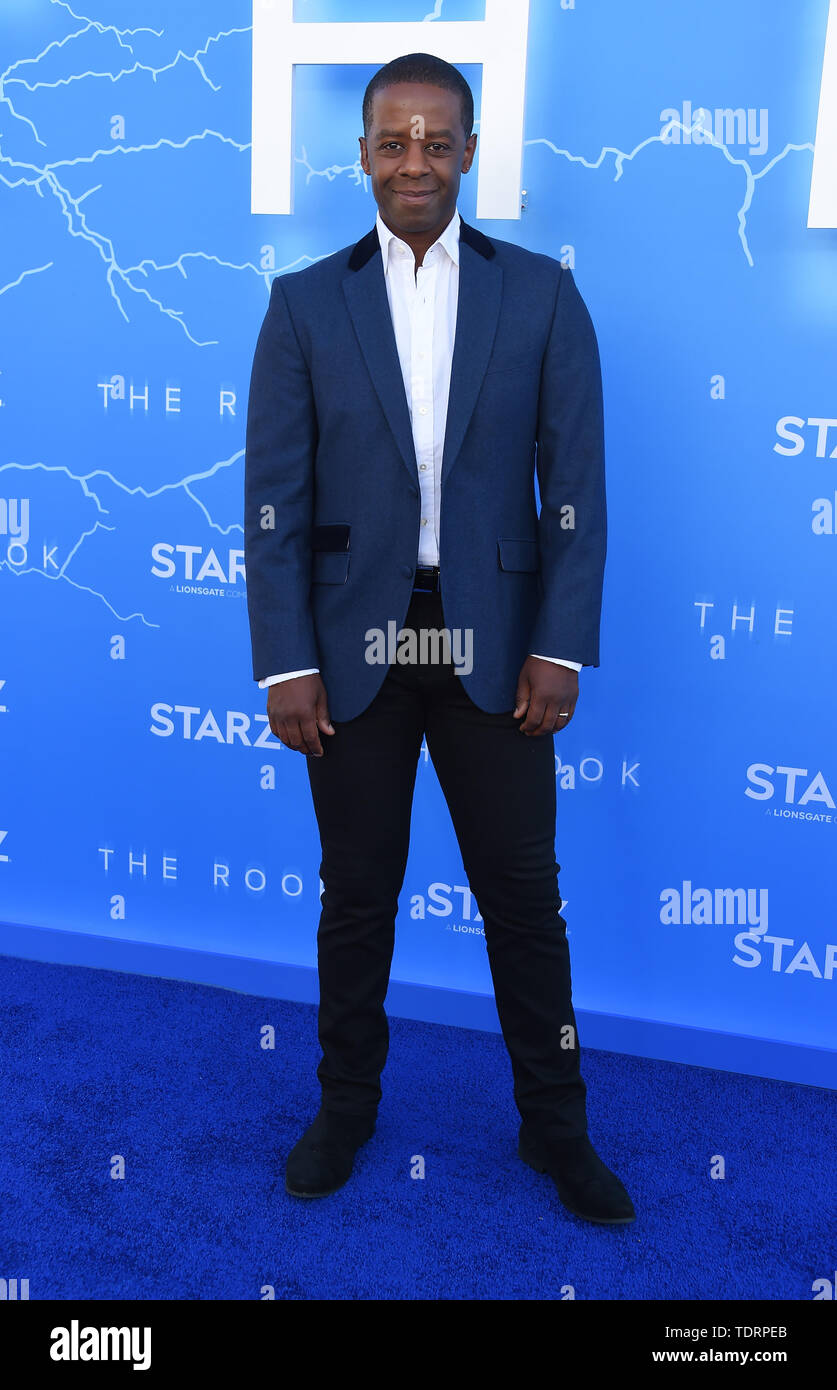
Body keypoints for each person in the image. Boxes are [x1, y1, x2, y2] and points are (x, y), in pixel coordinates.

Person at [244, 52, 635, 1225]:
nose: (415, 159)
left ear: (469, 154)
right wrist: (288, 659)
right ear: (362, 153)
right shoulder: (304, 304)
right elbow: (273, 498)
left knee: (524, 900)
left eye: (437, 140)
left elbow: (576, 488)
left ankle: (557, 1129)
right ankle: (345, 1111)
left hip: (496, 647)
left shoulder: (542, 295)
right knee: (356, 895)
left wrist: (559, 644)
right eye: (392, 139)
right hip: (354, 652)